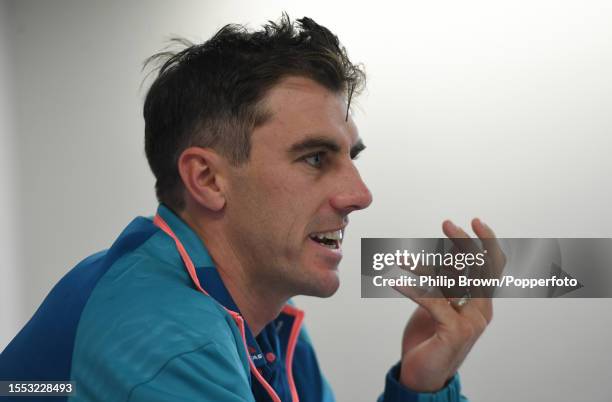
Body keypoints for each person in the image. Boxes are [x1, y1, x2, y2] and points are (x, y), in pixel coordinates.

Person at [0, 15, 496, 402]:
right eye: (316, 158)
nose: (359, 195)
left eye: (352, 157)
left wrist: (422, 384)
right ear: (208, 179)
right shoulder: (167, 340)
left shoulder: (268, 324)